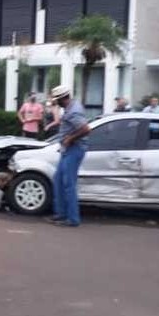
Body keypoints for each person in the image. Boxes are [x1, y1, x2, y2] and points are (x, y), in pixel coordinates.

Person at [47, 85, 90, 228]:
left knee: (68, 184)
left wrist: (70, 138)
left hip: (74, 149)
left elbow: (85, 129)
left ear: (62, 99)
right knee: (58, 180)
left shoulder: (74, 112)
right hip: (67, 149)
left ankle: (73, 219)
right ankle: (60, 214)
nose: (55, 102)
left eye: (56, 100)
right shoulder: (70, 107)